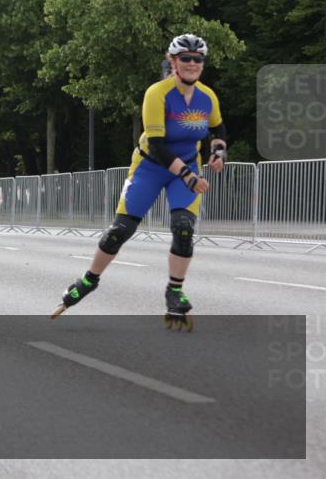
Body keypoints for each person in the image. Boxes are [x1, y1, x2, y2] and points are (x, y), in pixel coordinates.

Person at [51, 34, 227, 330]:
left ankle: (174, 291)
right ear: (173, 62)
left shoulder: (207, 96)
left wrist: (218, 152)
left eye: (198, 60)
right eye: (186, 58)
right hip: (151, 166)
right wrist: (188, 175)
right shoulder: (157, 93)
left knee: (183, 228)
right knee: (120, 231)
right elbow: (157, 145)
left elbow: (218, 127)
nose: (193, 64)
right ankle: (89, 280)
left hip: (187, 168)